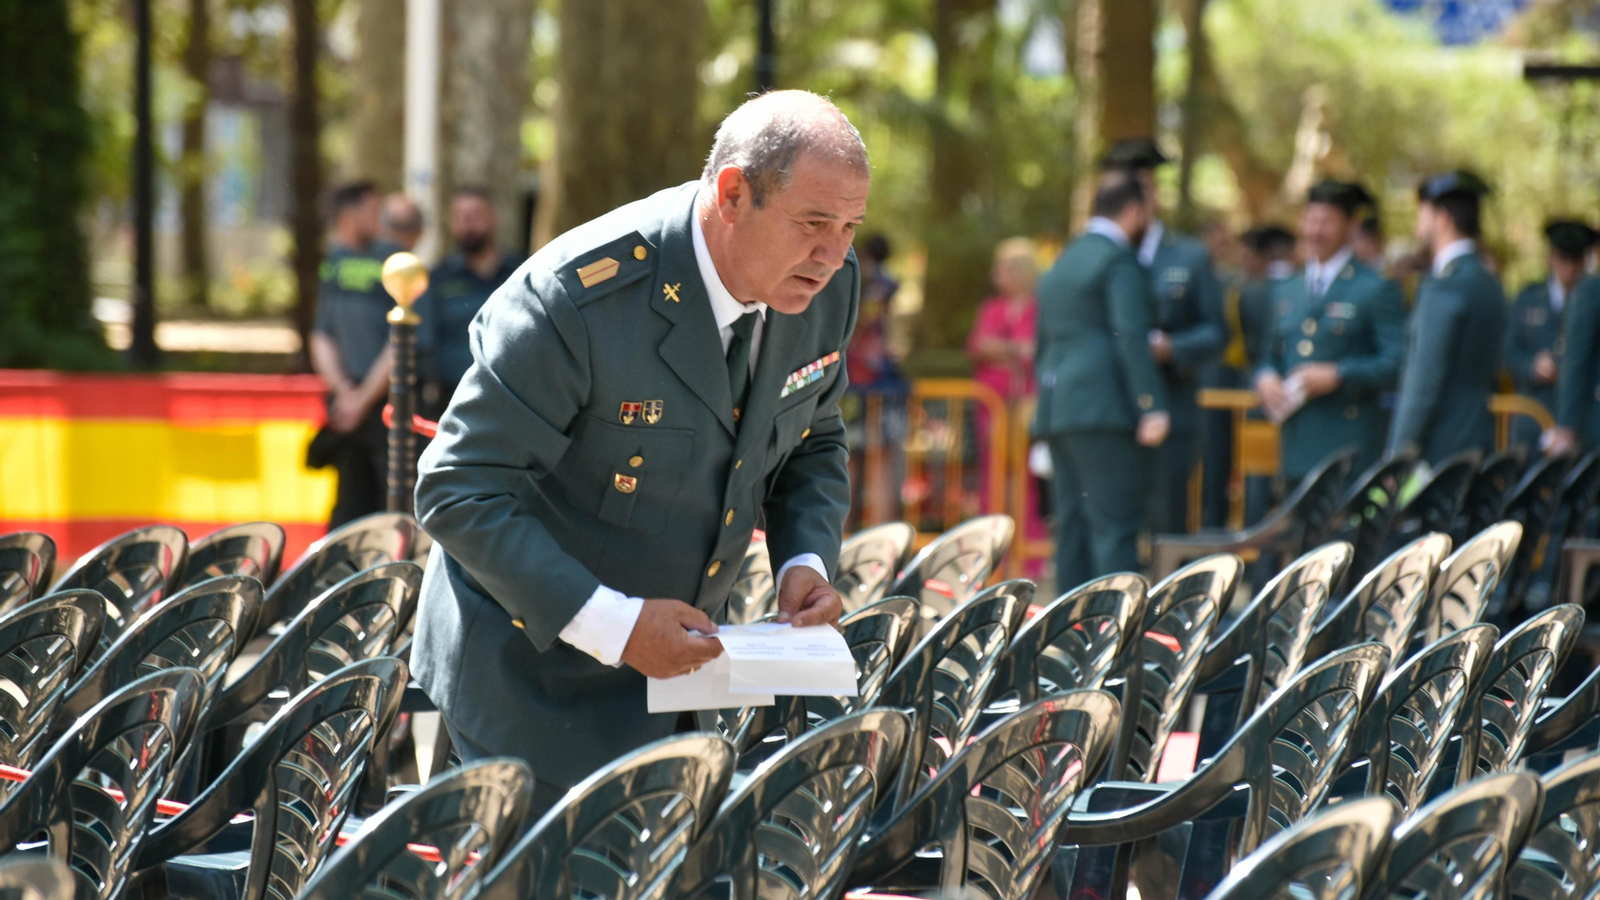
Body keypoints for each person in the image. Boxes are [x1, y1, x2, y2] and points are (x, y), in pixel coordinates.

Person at [410, 91, 866, 813]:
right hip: (528, 686)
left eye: (849, 228)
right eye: (814, 223)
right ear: (733, 193)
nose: (833, 254)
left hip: (678, 683)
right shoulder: (579, 299)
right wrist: (615, 625)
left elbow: (813, 436)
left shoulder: (822, 293)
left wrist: (804, 561)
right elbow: (456, 490)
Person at [1034, 172, 1170, 592]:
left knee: (1071, 528)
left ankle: (1069, 637)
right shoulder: (1117, 259)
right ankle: (1114, 637)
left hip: (1061, 409)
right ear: (1132, 210)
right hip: (1105, 408)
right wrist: (1151, 403)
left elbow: (1042, 342)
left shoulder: (1064, 260)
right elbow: (1131, 334)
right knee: (1115, 527)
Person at [1102, 138, 1225, 535]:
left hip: (1173, 405)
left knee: (1167, 520)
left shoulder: (1188, 255)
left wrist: (1172, 348)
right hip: (1113, 406)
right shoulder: (1099, 255)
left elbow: (1215, 331)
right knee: (1114, 524)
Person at [1256, 180, 1406, 482]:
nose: (1315, 231)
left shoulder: (1376, 287)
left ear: (1351, 227)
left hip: (1349, 451)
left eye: (1326, 222)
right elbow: (1269, 355)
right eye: (1310, 220)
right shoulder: (1287, 289)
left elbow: (1398, 363)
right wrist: (1265, 377)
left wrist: (1339, 374)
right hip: (1294, 448)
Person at [1387, 171, 1504, 466]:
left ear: (1442, 219)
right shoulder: (1488, 281)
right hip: (1479, 440)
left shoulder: (1444, 285)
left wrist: (1398, 454)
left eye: (1422, 217)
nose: (1418, 230)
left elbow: (1424, 381)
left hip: (1439, 451)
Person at [308, 181, 397, 528]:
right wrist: (344, 392)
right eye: (373, 211)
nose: (381, 219)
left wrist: (362, 398)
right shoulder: (332, 263)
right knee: (348, 501)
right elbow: (321, 334)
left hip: (384, 403)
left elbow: (400, 341)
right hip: (348, 405)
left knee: (388, 500)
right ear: (349, 216)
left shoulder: (392, 260)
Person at [966, 239, 1043, 558]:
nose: (998, 274)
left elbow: (1035, 351)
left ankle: (1026, 547)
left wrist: (1002, 350)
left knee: (1023, 476)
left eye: (1006, 267)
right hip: (992, 402)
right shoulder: (992, 308)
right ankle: (991, 548)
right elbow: (977, 346)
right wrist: (1014, 351)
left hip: (1025, 402)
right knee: (993, 472)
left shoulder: (1039, 308)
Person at [416, 188, 523, 415]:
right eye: (460, 217)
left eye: (476, 215)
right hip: (452, 399)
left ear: (495, 218)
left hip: (516, 399)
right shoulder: (436, 279)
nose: (468, 224)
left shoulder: (521, 275)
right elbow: (425, 342)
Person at [1504, 221, 1599, 450]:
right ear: (1552, 257)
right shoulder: (1528, 297)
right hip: (1533, 416)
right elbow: (1507, 352)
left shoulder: (1591, 299)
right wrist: (1533, 367)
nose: (1568, 268)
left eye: (1575, 260)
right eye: (1562, 259)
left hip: (1580, 419)